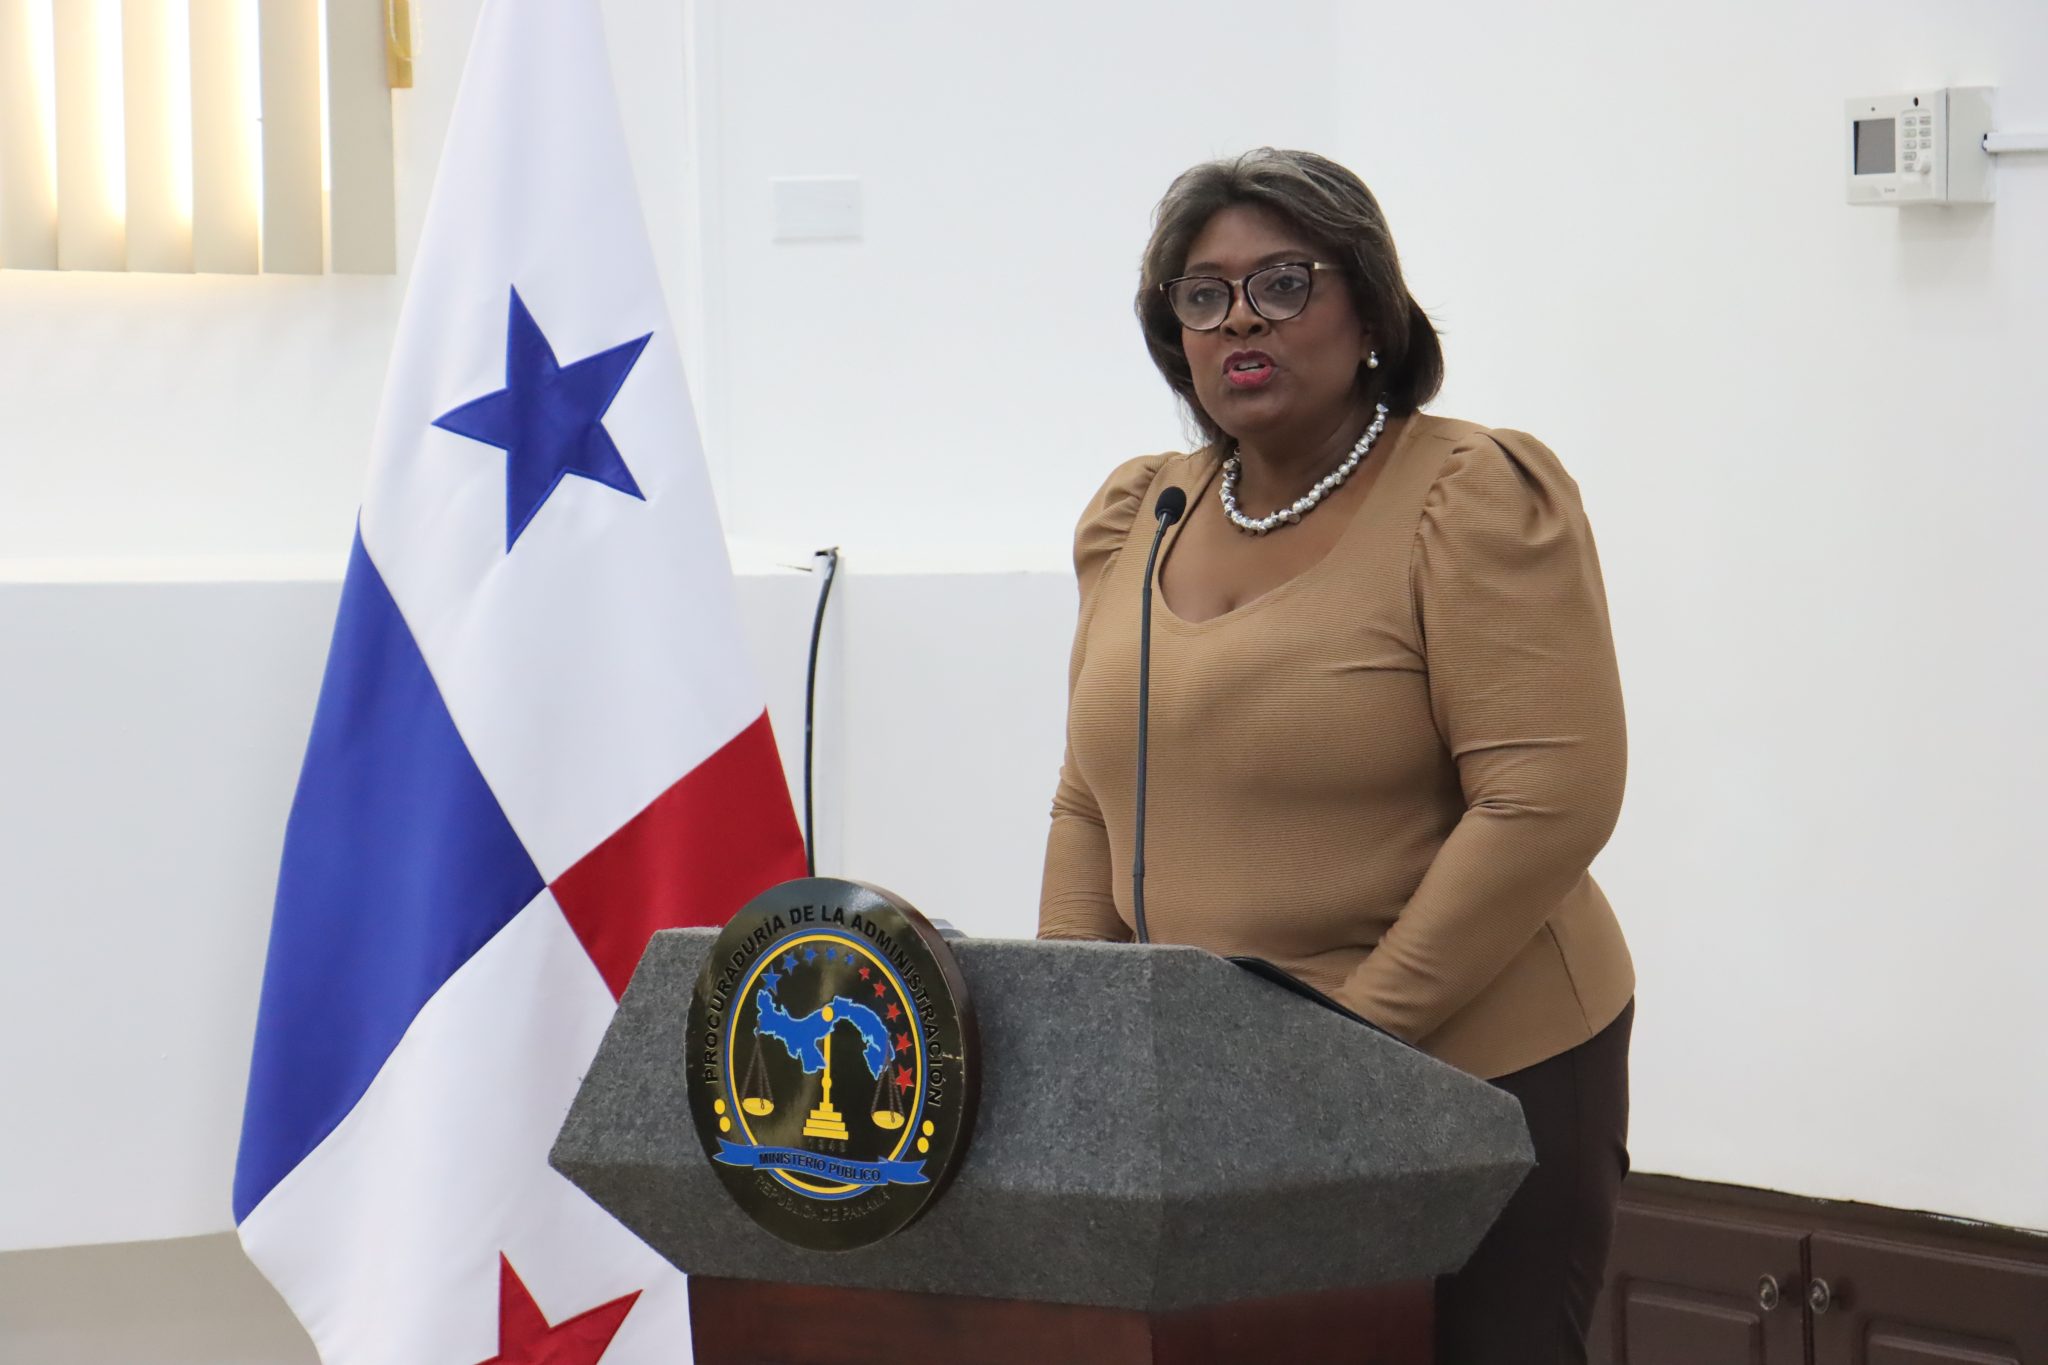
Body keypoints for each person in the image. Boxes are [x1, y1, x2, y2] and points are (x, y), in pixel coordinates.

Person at [1036, 148, 1636, 1365]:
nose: (1238, 320)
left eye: (1281, 283)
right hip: (1223, 1093)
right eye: (1202, 295)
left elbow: (1545, 798)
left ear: (1368, 311)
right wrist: (1073, 1040)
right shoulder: (1141, 513)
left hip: (1476, 1068)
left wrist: (1345, 1043)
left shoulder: (1469, 494)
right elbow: (1089, 798)